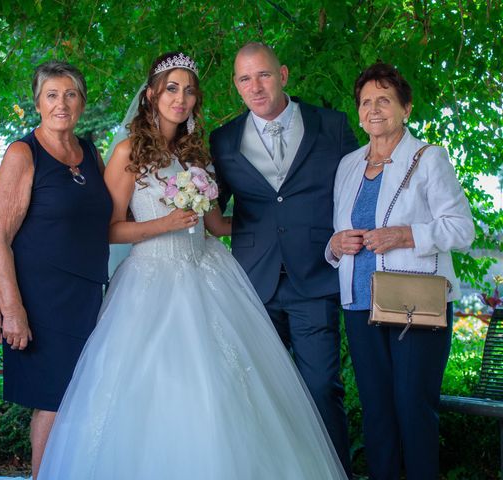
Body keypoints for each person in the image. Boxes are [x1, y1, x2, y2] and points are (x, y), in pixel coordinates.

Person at [37, 51, 347, 480]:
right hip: (150, 283)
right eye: (170, 89)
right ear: (151, 95)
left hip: (208, 273)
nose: (179, 98)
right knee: (163, 391)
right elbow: (107, 228)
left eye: (187, 90)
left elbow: (216, 223)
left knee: (229, 392)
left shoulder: (197, 153)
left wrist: (286, 224)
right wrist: (163, 223)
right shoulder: (129, 151)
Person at [209, 42, 358, 475]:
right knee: (260, 392)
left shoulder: (331, 126)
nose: (255, 86)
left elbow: (355, 194)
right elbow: (214, 210)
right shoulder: (223, 140)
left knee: (320, 387)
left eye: (264, 75)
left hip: (316, 277)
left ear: (284, 75)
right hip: (253, 284)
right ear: (236, 86)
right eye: (244, 79)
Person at [326, 62, 474, 479]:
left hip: (415, 304)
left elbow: (462, 229)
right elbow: (338, 232)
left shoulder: (429, 159)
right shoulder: (348, 165)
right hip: (359, 304)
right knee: (376, 412)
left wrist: (406, 236)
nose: (374, 109)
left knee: (412, 407)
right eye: (366, 102)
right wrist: (334, 246)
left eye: (384, 100)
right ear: (357, 111)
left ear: (405, 108)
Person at [0, 60, 112, 480]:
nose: (62, 104)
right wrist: (12, 308)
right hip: (42, 301)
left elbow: (112, 219)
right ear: (38, 102)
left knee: (88, 397)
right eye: (52, 95)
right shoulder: (24, 153)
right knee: (56, 400)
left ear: (82, 102)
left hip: (90, 295)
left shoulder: (91, 152)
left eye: (71, 94)